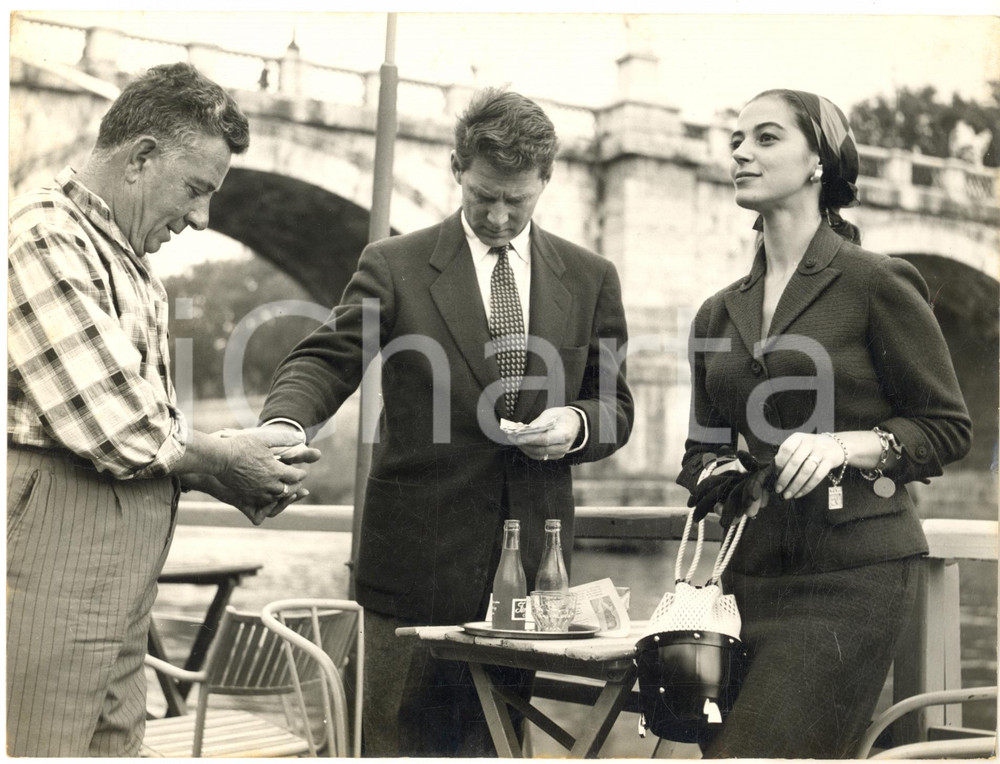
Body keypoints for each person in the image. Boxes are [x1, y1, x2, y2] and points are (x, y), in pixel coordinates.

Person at [258, 87, 634, 756]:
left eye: (515, 201)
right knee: (390, 745)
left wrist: (576, 424)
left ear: (547, 179)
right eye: (482, 195)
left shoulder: (591, 276)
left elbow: (616, 406)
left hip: (530, 586)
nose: (496, 216)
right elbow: (327, 359)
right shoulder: (393, 266)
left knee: (494, 749)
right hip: (412, 573)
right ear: (456, 168)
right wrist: (286, 425)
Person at [7, 62, 319, 756]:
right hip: (57, 560)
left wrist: (240, 470)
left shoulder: (127, 258)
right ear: (143, 157)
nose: (204, 218)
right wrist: (223, 458)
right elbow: (117, 424)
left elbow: (148, 431)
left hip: (119, 577)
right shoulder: (42, 235)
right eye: (197, 190)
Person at [677, 88, 971, 758]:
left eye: (767, 137)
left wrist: (846, 445)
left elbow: (948, 428)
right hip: (741, 584)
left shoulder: (875, 283)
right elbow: (700, 450)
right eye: (737, 140)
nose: (742, 152)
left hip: (848, 580)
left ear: (819, 161)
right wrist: (722, 469)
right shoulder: (717, 314)